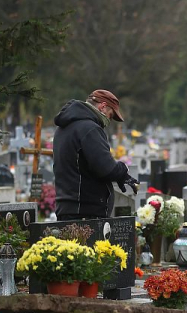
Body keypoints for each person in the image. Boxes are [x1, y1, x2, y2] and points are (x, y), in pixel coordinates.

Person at [53, 89, 138, 221]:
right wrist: (123, 170)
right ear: (103, 106)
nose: (109, 120)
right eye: (110, 115)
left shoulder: (64, 128)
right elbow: (105, 167)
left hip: (67, 207)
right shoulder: (90, 128)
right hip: (86, 212)